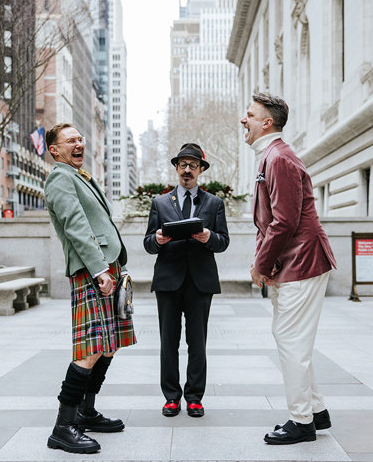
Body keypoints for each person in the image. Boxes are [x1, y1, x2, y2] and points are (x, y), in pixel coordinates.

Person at [242, 92, 337, 445]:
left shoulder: (279, 158)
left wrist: (260, 266)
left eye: (249, 115)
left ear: (267, 122)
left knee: (291, 341)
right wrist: (263, 262)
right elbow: (269, 221)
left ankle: (302, 422)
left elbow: (284, 222)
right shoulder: (272, 156)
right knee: (291, 339)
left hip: (303, 261)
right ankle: (316, 409)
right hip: (295, 261)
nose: (244, 120)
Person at [44, 123, 136, 454]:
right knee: (90, 347)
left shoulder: (79, 175)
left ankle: (85, 410)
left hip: (107, 266)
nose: (79, 143)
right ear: (55, 150)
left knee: (108, 345)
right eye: (71, 140)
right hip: (90, 268)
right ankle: (63, 426)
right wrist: (99, 268)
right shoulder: (60, 178)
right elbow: (76, 226)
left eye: (80, 139)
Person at [143, 143, 229, 418]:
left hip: (200, 282)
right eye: (183, 165)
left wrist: (209, 238)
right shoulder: (159, 202)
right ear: (176, 168)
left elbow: (223, 241)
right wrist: (156, 239)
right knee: (168, 342)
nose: (187, 170)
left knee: (197, 342)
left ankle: (194, 397)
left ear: (201, 170)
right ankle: (171, 397)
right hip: (168, 282)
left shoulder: (214, 203)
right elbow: (148, 243)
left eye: (193, 165)